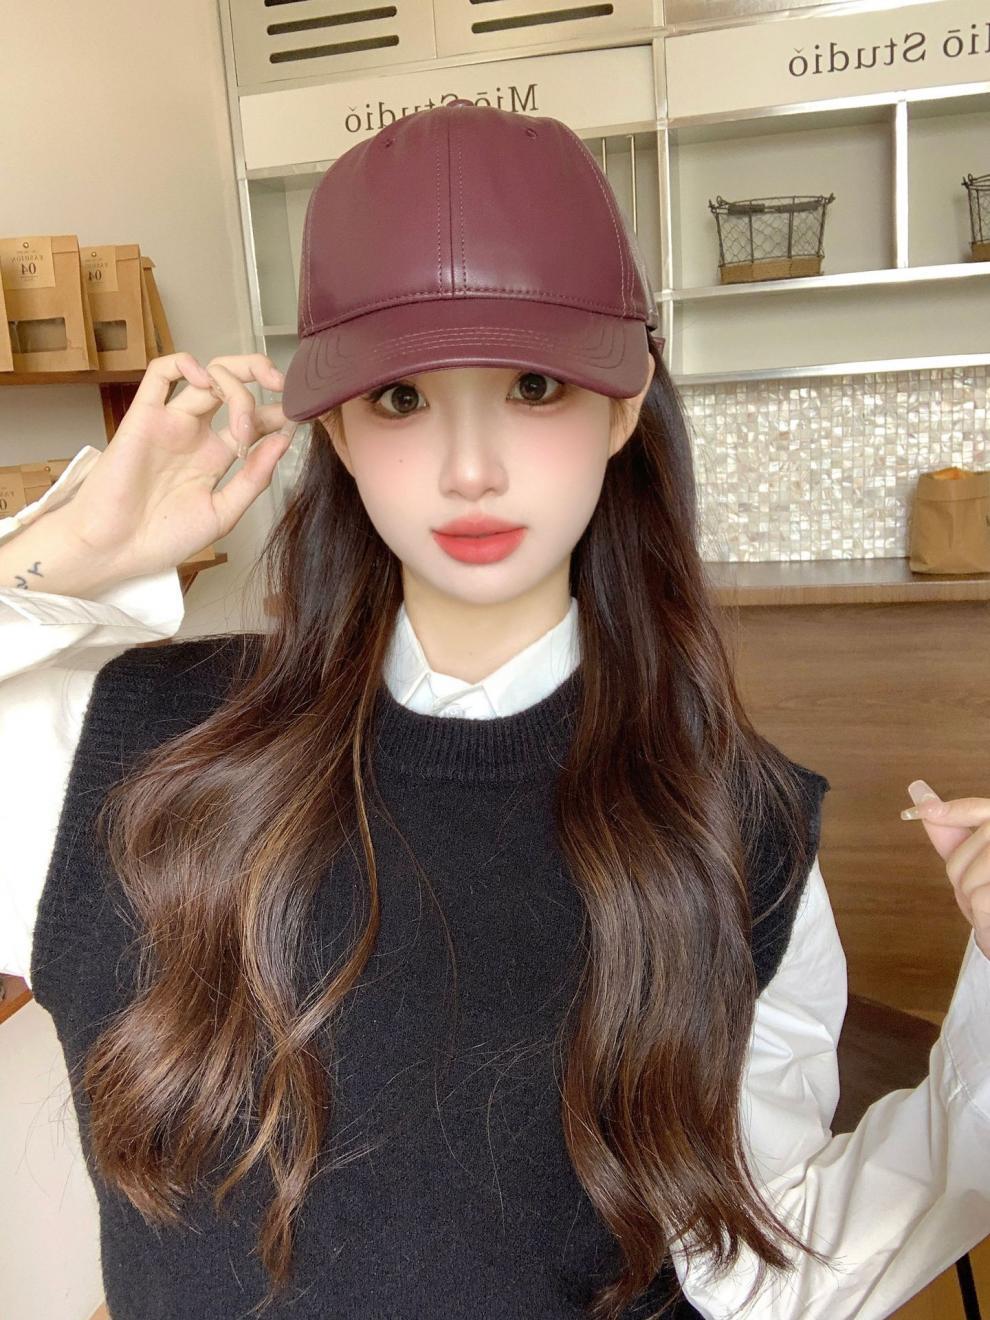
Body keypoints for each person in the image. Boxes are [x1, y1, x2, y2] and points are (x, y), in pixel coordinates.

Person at [0, 100, 987, 1320]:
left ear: (623, 404)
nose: (470, 467)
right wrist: (64, 559)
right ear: (337, 428)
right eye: (402, 398)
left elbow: (758, 1271)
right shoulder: (133, 745)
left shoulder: (737, 825)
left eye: (532, 384)